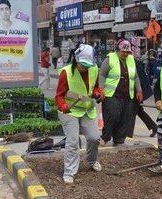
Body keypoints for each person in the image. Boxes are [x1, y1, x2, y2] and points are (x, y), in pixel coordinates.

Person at [54, 44, 103, 184]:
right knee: (73, 141)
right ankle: (69, 172)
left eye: (87, 65)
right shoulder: (66, 72)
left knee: (94, 138)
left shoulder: (94, 69)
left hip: (87, 109)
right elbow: (59, 96)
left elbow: (94, 89)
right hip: (70, 111)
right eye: (82, 65)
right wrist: (63, 106)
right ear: (76, 60)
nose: (84, 68)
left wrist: (98, 94)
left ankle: (91, 160)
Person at [98, 39, 143, 145]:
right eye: (124, 51)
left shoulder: (131, 59)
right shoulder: (110, 59)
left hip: (127, 94)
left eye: (128, 52)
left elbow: (135, 76)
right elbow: (102, 74)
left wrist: (139, 90)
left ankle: (119, 139)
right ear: (117, 50)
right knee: (113, 115)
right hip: (112, 94)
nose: (126, 54)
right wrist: (101, 89)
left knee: (125, 117)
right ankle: (105, 137)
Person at [131, 52, 158, 138]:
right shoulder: (135, 62)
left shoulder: (133, 63)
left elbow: (138, 80)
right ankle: (154, 127)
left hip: (137, 92)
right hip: (137, 91)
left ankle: (128, 132)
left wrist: (139, 92)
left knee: (132, 111)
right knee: (138, 111)